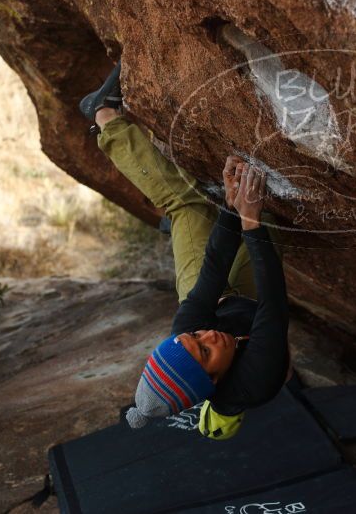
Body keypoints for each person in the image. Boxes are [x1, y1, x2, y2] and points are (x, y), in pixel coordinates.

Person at [79, 61, 290, 439]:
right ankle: (183, 226)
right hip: (253, 307)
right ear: (212, 380)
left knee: (188, 204)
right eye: (206, 352)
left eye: (194, 340)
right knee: (268, 220)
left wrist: (230, 205)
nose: (208, 337)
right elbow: (274, 301)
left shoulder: (186, 331)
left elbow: (212, 268)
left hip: (222, 299)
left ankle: (106, 116)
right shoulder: (257, 378)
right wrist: (252, 221)